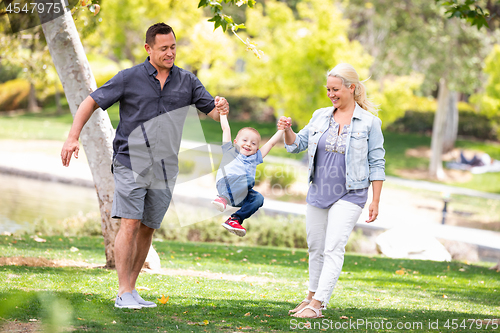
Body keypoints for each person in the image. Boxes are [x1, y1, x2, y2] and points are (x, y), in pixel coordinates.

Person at [60, 23, 229, 309]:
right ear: (148, 49)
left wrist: (222, 106)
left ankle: (132, 290)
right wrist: (72, 137)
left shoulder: (187, 81)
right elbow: (90, 101)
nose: (170, 53)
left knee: (148, 227)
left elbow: (213, 112)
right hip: (130, 161)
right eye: (164, 48)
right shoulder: (129, 78)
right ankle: (123, 291)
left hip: (165, 167)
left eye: (173, 47)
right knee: (130, 222)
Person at [278, 63, 385, 318]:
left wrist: (375, 201)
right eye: (328, 89)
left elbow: (377, 163)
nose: (331, 94)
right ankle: (310, 296)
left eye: (335, 89)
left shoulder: (370, 123)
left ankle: (318, 304)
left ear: (352, 88)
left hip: (350, 193)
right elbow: (297, 145)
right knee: (315, 246)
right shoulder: (320, 116)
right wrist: (288, 130)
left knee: (333, 247)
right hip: (319, 191)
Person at [211, 114, 285, 237]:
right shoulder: (230, 150)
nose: (248, 144)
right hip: (225, 185)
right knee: (248, 179)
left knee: (258, 198)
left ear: (257, 149)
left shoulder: (255, 158)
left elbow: (271, 143)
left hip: (240, 194)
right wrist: (223, 115)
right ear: (235, 142)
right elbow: (226, 129)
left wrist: (282, 130)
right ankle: (222, 198)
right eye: (244, 140)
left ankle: (235, 220)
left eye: (253, 143)